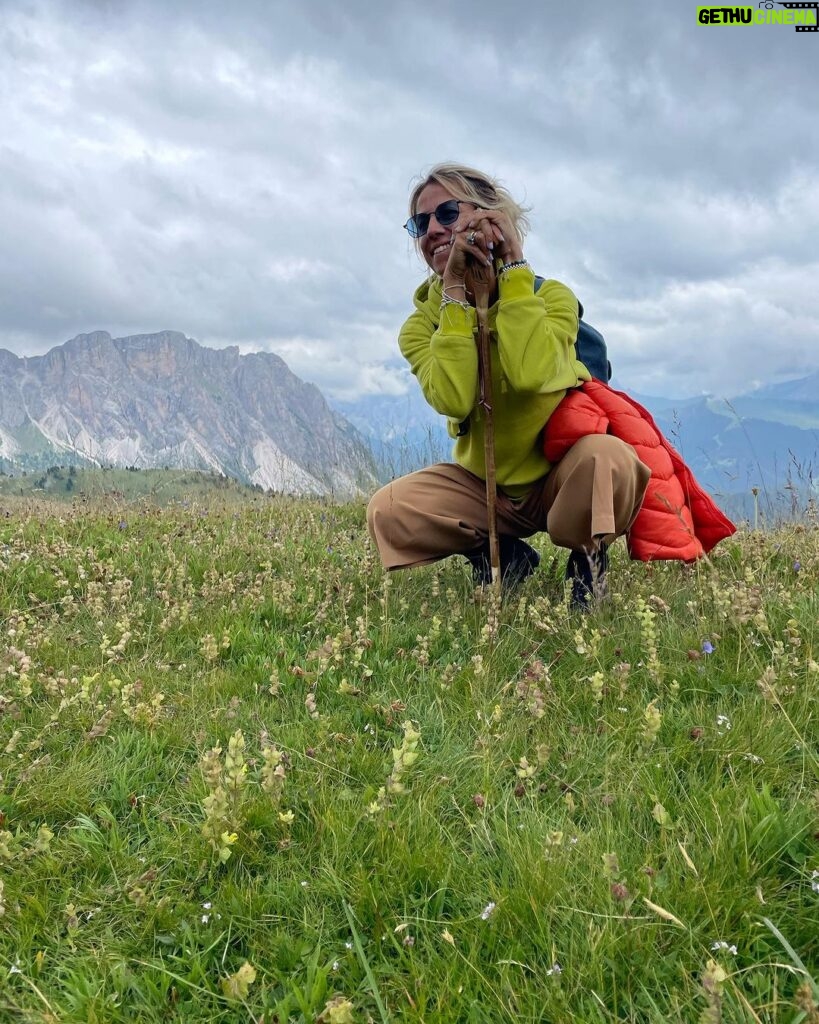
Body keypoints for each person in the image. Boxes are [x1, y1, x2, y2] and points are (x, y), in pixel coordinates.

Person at [366, 162, 652, 607]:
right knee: (389, 509)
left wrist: (514, 266)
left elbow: (531, 373)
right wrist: (456, 294)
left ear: (489, 217)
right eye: (420, 223)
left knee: (609, 458)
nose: (433, 231)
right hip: (485, 488)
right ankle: (504, 557)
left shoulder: (551, 298)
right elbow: (454, 397)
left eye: (447, 214)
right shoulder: (420, 325)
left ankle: (588, 561)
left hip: (558, 478)